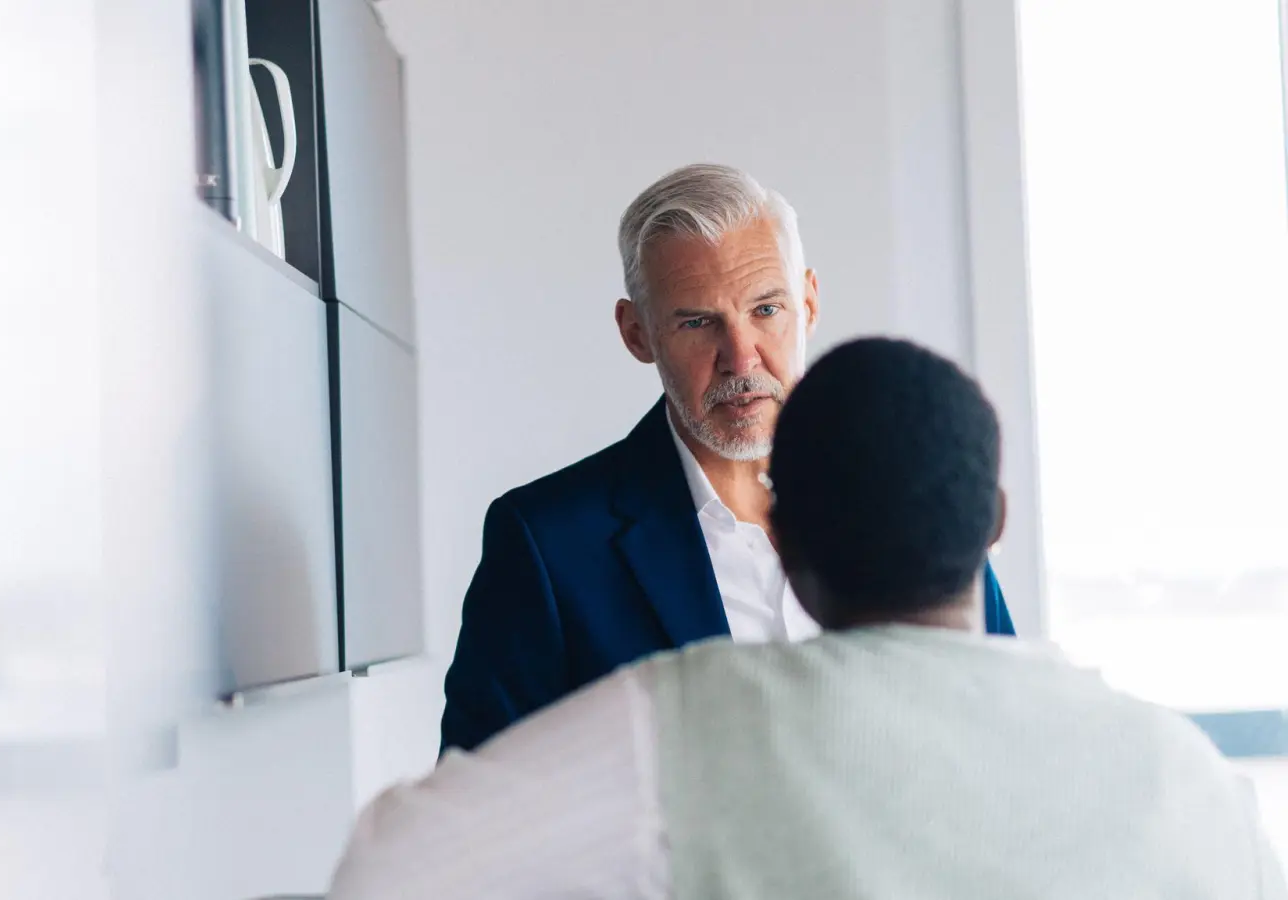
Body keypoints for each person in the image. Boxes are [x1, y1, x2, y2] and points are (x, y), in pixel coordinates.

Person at [330, 337, 1286, 900]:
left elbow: (386, 873)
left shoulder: (690, 725)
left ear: (780, 537)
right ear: (993, 524)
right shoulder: (1193, 780)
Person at [441, 163, 1013, 752]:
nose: (741, 359)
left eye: (767, 310)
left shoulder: (915, 499)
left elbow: (1004, 736)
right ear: (636, 333)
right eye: (697, 322)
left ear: (809, 304)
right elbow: (468, 815)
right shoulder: (547, 546)